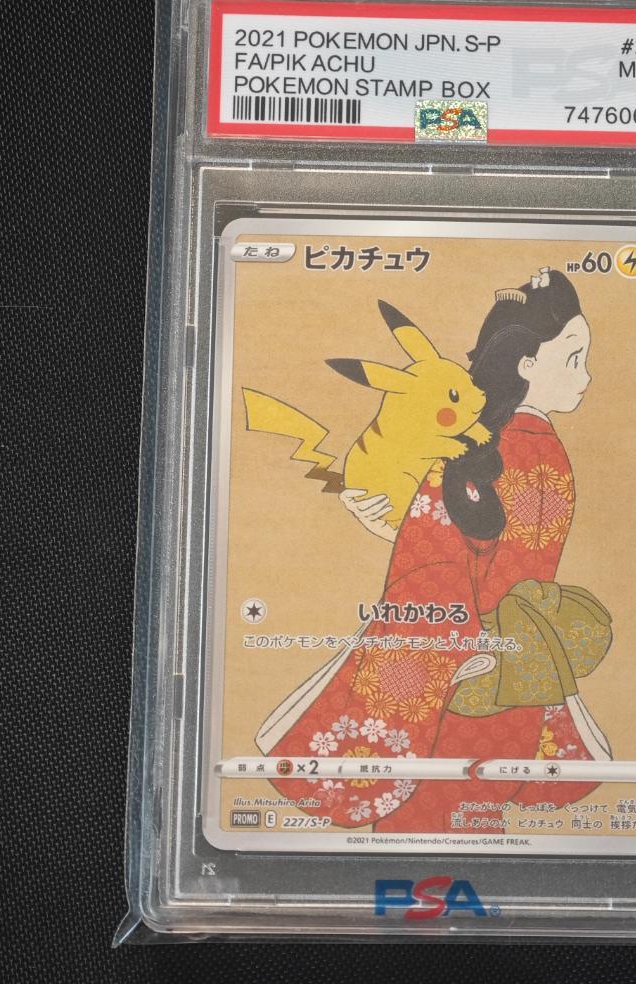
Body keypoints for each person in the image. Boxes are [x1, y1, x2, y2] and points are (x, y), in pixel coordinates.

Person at [255, 267, 610, 832]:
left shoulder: (482, 454)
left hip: (464, 678)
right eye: (573, 358)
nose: (586, 376)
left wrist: (449, 638)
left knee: (428, 822)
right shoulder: (540, 451)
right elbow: (493, 549)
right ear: (526, 364)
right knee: (472, 821)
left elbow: (438, 563)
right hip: (518, 671)